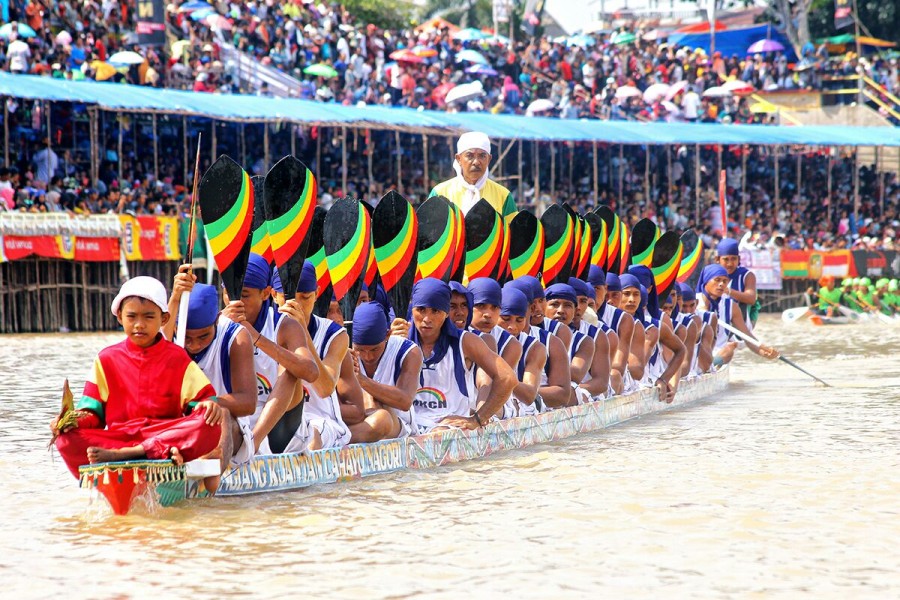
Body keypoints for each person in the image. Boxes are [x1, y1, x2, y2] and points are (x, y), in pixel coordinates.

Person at [52, 277, 224, 480]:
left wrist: (209, 405)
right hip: (121, 441)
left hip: (163, 434)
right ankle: (156, 454)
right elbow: (92, 414)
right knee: (64, 438)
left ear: (164, 319)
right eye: (131, 316)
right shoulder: (106, 359)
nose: (139, 325)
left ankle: (135, 454)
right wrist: (70, 422)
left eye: (149, 317)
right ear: (119, 317)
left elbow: (203, 402)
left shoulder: (178, 357)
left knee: (209, 424)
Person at [220, 254, 320, 453]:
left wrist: (256, 337)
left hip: (279, 424)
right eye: (228, 294)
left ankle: (253, 443)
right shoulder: (216, 324)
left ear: (266, 293)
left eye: (244, 295)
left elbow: (310, 372)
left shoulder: (285, 325)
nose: (235, 303)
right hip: (236, 414)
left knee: (291, 369)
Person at [165, 277, 258, 467]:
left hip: (228, 429)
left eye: (203, 336)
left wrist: (209, 402)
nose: (195, 345)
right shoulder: (167, 337)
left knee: (221, 413)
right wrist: (175, 297)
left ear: (217, 320)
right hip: (182, 424)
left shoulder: (236, 337)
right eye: (188, 338)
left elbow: (248, 402)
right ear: (176, 326)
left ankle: (210, 470)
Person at [405, 278, 517, 432]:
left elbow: (507, 378)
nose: (427, 319)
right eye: (421, 309)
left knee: (439, 432)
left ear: (446, 313)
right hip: (408, 424)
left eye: (435, 311)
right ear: (412, 309)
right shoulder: (399, 340)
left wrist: (478, 418)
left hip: (447, 426)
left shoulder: (465, 341)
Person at [277, 261, 354, 451]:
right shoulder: (262, 328)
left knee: (310, 439)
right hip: (275, 417)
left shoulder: (334, 335)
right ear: (272, 294)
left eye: (305, 297)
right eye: (289, 299)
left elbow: (325, 388)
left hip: (319, 420)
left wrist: (301, 330)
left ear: (317, 293)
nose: (297, 305)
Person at [349, 301, 423, 439]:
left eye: (374, 349)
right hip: (360, 422)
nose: (368, 356)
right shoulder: (344, 349)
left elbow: (405, 401)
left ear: (388, 335)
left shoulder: (409, 351)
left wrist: (362, 381)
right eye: (360, 350)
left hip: (401, 429)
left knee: (379, 414)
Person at [696, 264, 779, 365]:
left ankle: (712, 365)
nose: (721, 284)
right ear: (706, 281)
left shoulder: (731, 306)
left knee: (730, 348)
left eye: (725, 281)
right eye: (717, 280)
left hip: (719, 353)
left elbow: (746, 336)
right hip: (696, 353)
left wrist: (763, 352)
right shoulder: (693, 303)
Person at [428, 131, 516, 220]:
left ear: (489, 159)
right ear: (459, 159)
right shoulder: (439, 193)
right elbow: (428, 226)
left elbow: (512, 228)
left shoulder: (503, 196)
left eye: (482, 156)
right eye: (469, 155)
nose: (476, 162)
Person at [543, 283, 593, 405]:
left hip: (559, 393)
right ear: (543, 306)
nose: (560, 310)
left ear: (575, 311)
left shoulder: (584, 341)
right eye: (554, 304)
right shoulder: (530, 334)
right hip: (536, 391)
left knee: (571, 393)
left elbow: (576, 375)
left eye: (567, 305)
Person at [716, 238, 759, 326]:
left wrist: (728, 291)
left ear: (739, 259)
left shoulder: (747, 276)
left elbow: (751, 299)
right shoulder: (711, 276)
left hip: (741, 327)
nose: (730, 263)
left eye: (733, 259)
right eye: (726, 259)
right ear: (717, 259)